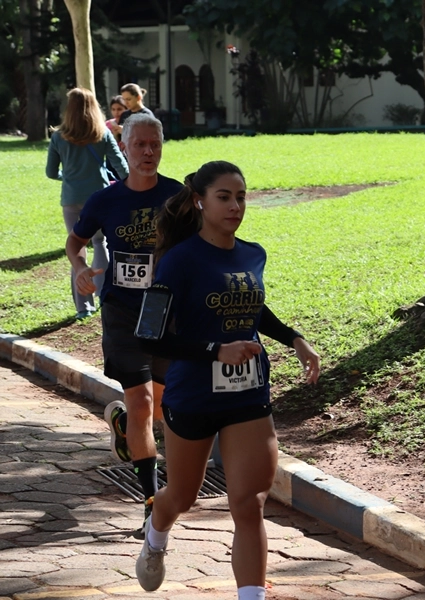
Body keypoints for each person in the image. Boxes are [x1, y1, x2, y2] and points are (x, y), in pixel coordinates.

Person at [133, 160, 321, 598]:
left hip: (248, 393)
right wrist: (216, 351)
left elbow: (252, 307)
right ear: (199, 201)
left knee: (249, 503)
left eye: (241, 197)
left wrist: (294, 339)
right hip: (193, 396)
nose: (236, 206)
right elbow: (150, 337)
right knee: (181, 496)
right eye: (224, 197)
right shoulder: (179, 261)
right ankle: (155, 534)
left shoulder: (252, 253)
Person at [65, 113, 182, 536]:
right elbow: (75, 241)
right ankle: (152, 506)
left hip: (162, 310)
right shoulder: (105, 200)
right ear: (125, 149)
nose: (148, 152)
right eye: (140, 145)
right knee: (142, 406)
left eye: (155, 144)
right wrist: (79, 267)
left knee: (160, 405)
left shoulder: (177, 196)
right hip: (121, 309)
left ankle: (123, 429)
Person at [47, 88, 128, 319]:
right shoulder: (102, 133)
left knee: (77, 249)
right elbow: (121, 168)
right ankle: (104, 296)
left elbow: (51, 172)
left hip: (71, 199)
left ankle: (84, 307)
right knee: (101, 243)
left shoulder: (58, 137)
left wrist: (69, 177)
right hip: (100, 198)